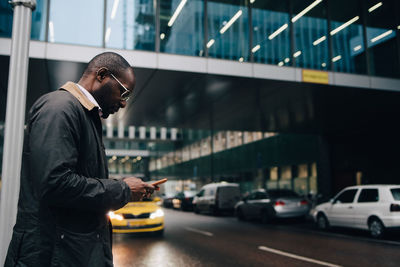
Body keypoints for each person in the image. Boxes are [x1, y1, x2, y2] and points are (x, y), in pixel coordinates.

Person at [4, 52, 157, 267]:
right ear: (102, 75)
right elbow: (55, 184)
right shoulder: (59, 109)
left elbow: (76, 181)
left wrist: (123, 186)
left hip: (66, 253)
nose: (123, 104)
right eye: (123, 93)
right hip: (51, 255)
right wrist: (122, 189)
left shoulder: (83, 114)